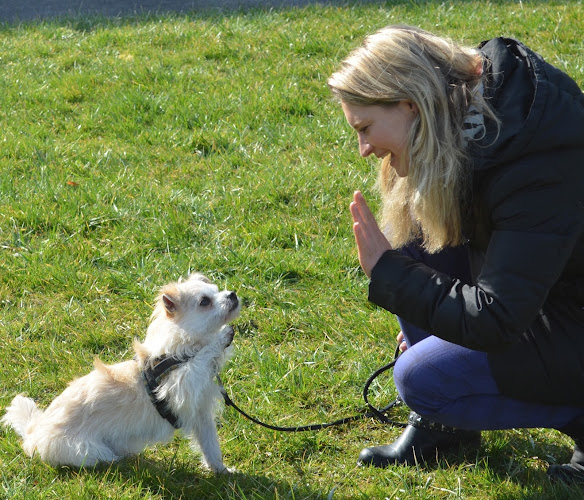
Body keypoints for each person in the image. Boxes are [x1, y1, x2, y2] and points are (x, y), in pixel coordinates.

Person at [327, 24, 584, 483]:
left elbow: (497, 317)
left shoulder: (534, 158)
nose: (364, 149)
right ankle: (447, 431)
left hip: (570, 314)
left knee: (418, 377)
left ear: (410, 102)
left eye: (365, 128)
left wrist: (391, 276)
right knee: (410, 229)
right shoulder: (473, 114)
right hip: (550, 293)